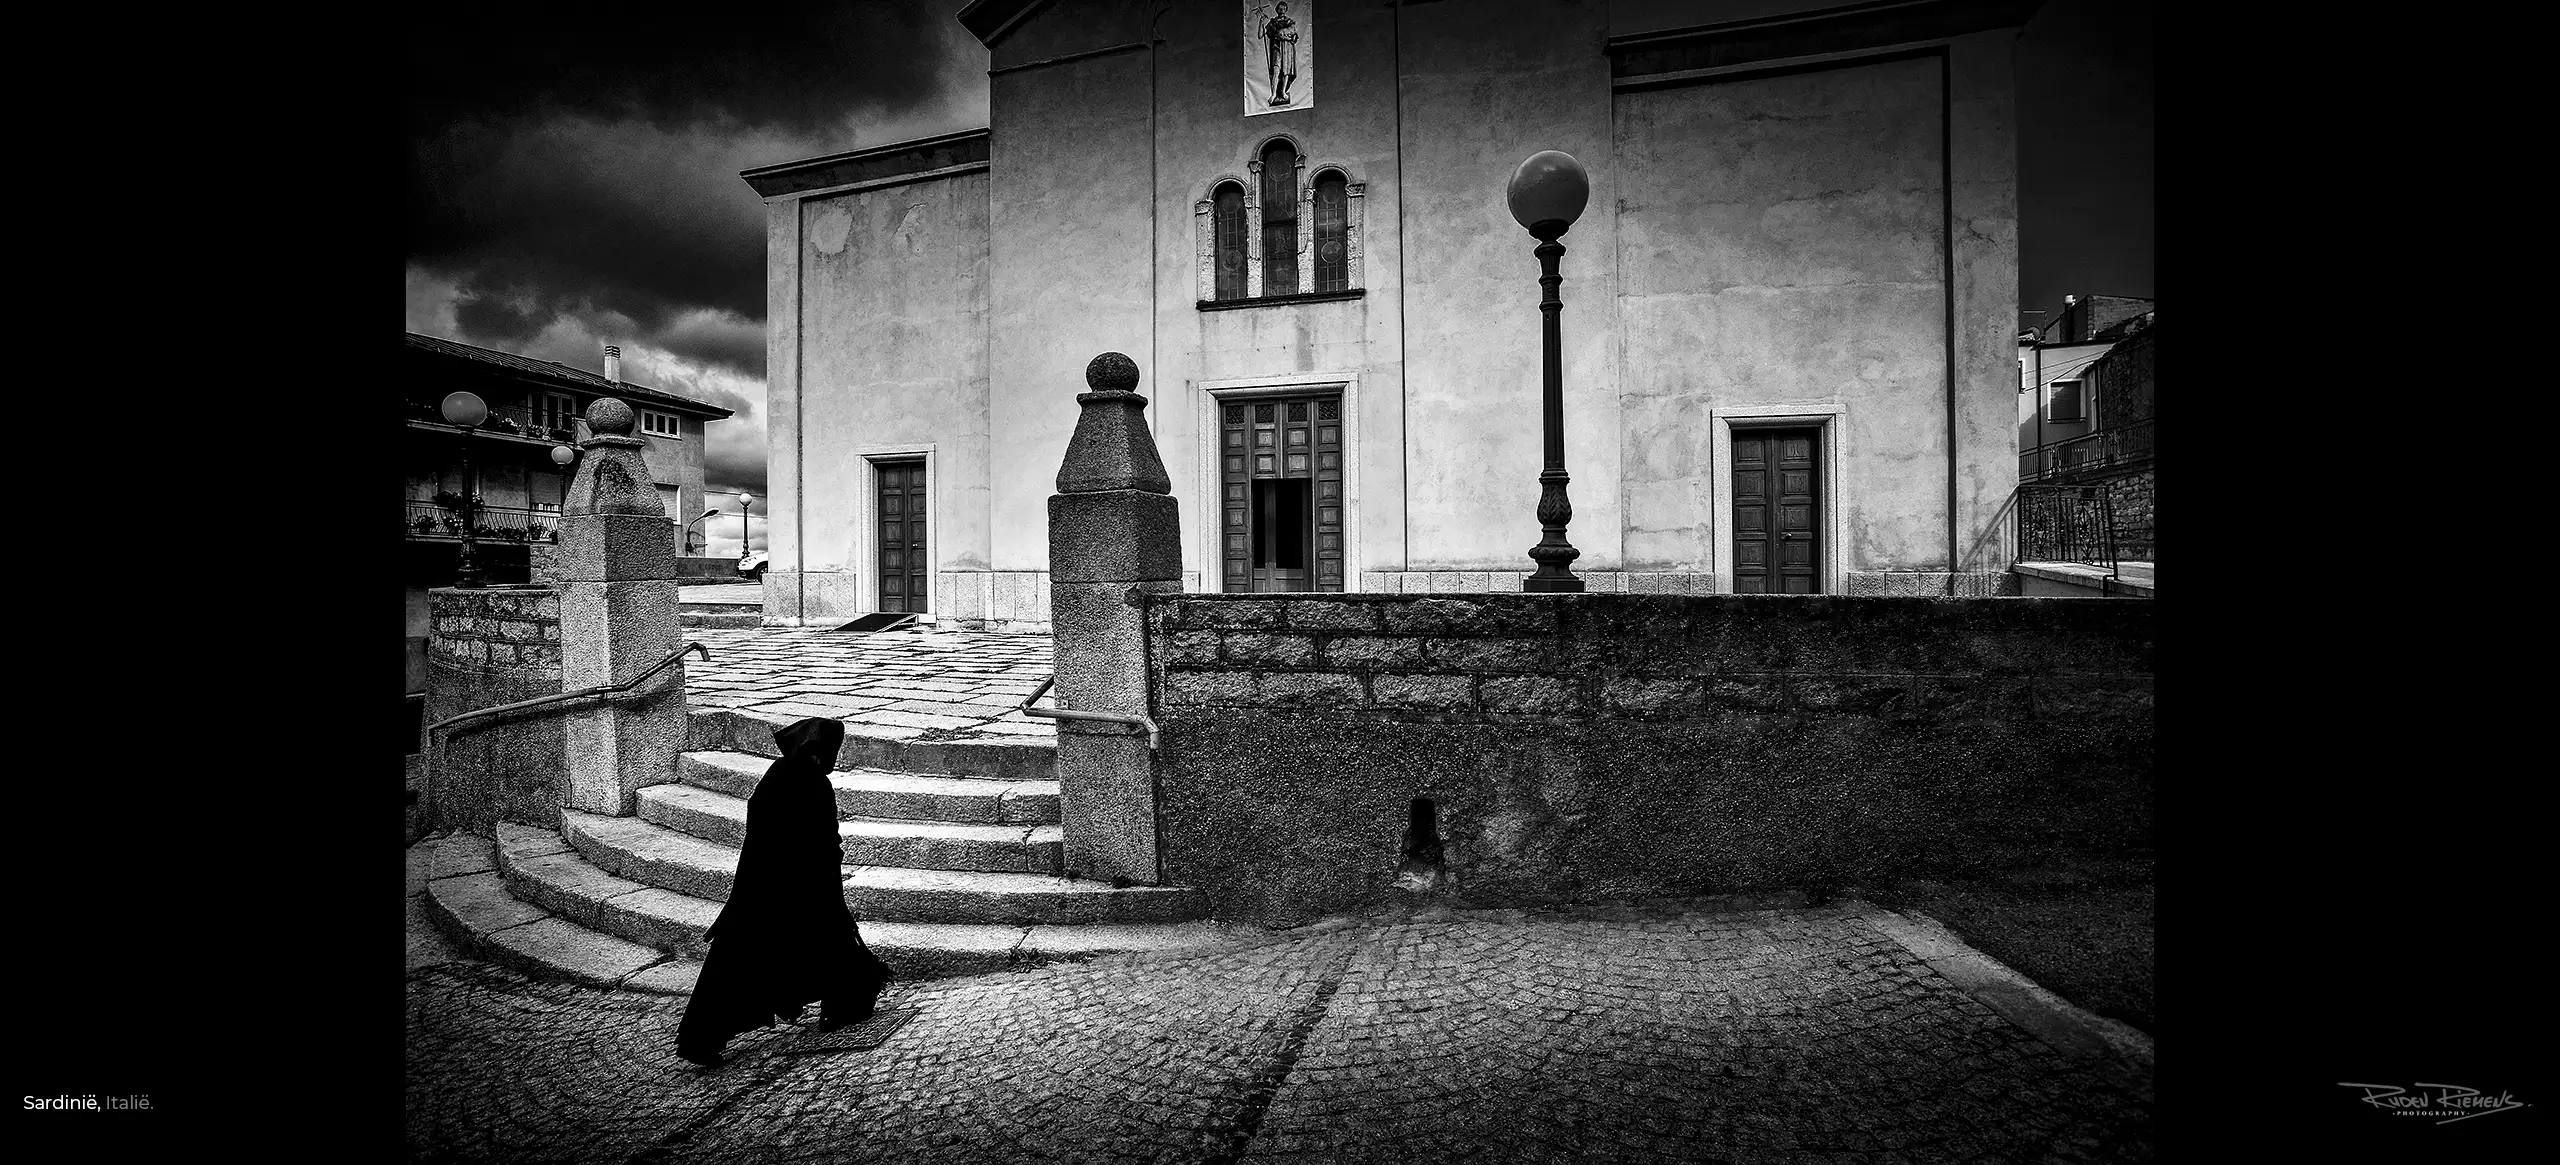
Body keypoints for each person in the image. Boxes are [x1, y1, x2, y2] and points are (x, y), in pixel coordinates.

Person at [676, 717, 892, 1066]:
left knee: (736, 960)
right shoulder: (815, 786)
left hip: (761, 887)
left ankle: (702, 1037)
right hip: (805, 887)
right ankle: (844, 1006)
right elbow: (824, 841)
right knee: (828, 941)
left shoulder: (776, 776)